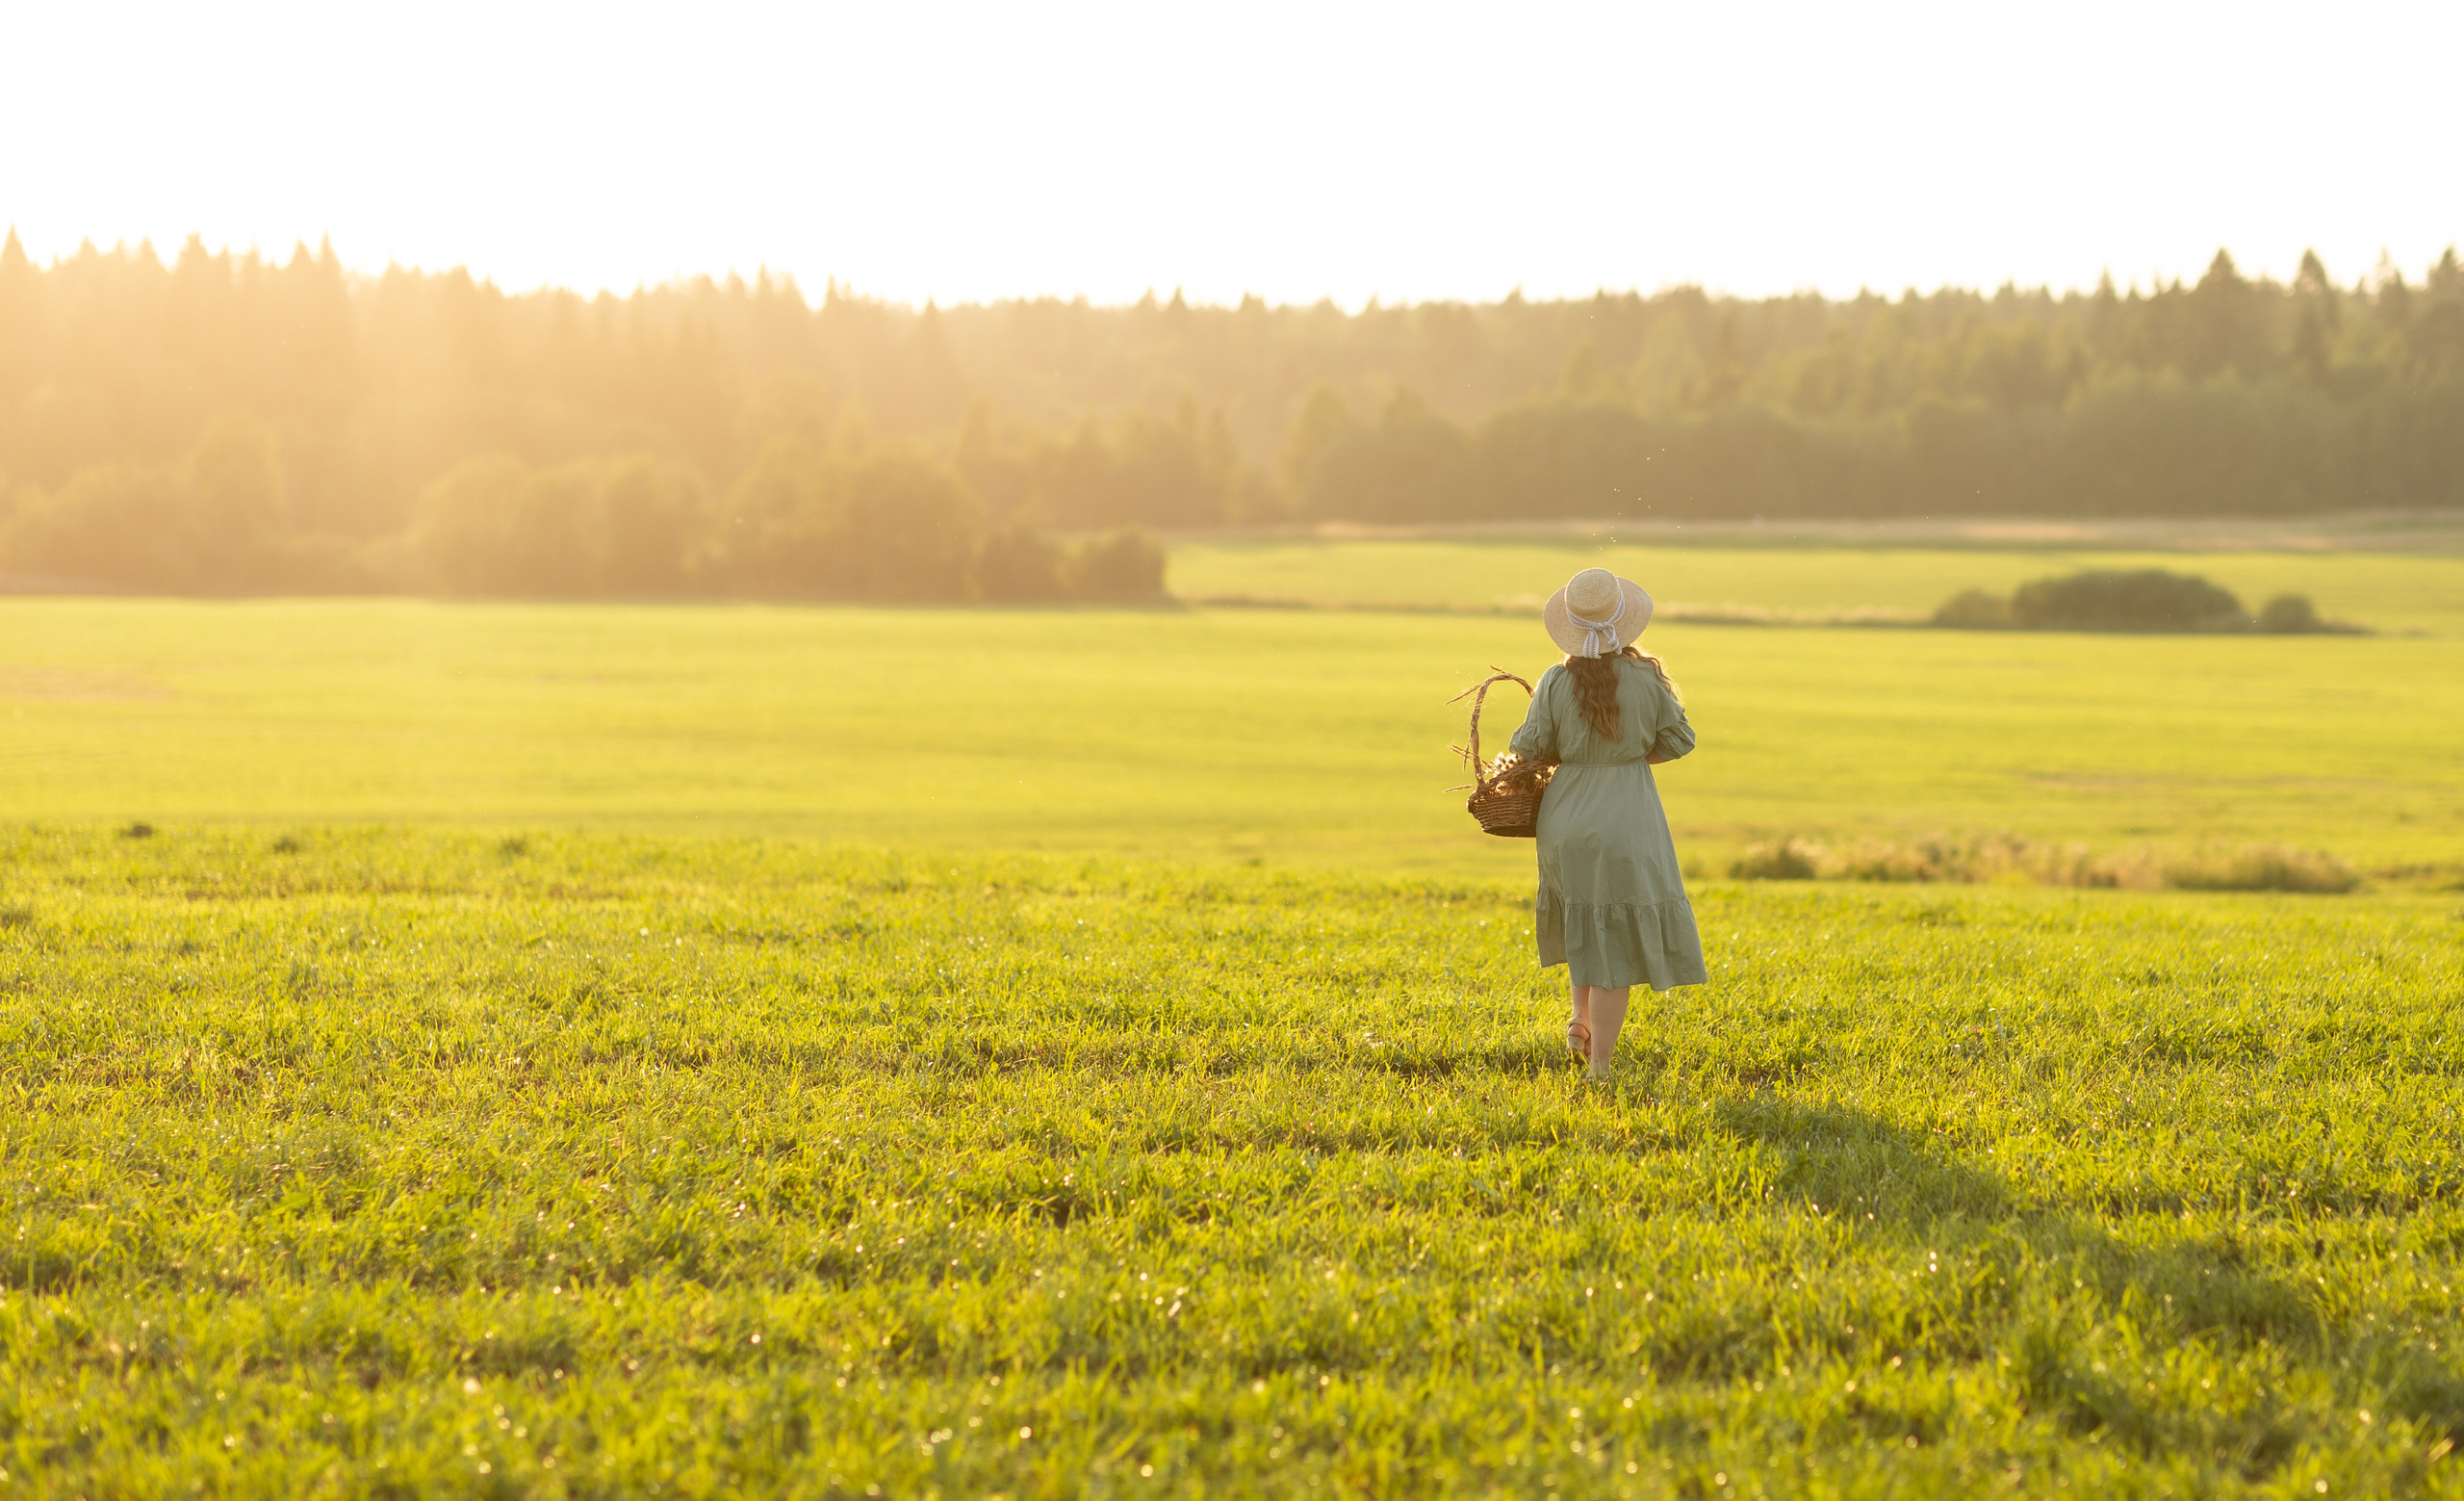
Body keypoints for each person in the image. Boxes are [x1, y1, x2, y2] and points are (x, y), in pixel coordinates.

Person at [1506, 567, 1707, 1079]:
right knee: (1613, 940)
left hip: (1565, 817)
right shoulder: (1646, 678)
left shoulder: (1554, 680)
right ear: (1624, 623)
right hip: (1627, 815)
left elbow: (1528, 748)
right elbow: (1680, 740)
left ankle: (1578, 1018)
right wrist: (1630, 758)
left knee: (1584, 915)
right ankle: (1600, 1067)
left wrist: (1574, 754)